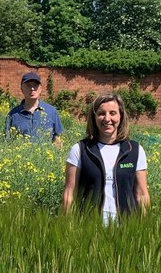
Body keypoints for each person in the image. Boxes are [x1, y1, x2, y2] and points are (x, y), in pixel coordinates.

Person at [62, 93, 150, 223]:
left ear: (120, 116)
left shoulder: (135, 150)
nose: (107, 118)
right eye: (101, 113)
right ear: (94, 117)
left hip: (126, 228)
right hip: (89, 227)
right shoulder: (80, 150)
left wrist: (146, 227)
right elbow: (70, 193)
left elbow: (142, 194)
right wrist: (67, 225)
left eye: (113, 113)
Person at [4, 70, 64, 144]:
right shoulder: (13, 115)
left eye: (35, 85)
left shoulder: (51, 111)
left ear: (40, 88)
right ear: (22, 89)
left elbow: (57, 140)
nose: (32, 89)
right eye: (28, 85)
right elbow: (7, 142)